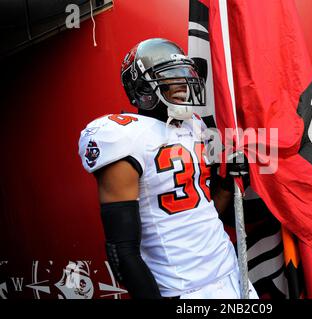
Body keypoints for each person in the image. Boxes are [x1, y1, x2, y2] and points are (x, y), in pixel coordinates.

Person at [78, 38, 258, 299]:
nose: (183, 83)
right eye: (170, 75)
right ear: (142, 87)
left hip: (230, 270)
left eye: (184, 73)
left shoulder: (194, 127)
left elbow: (201, 211)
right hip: (183, 288)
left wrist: (228, 184)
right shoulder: (124, 136)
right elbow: (122, 250)